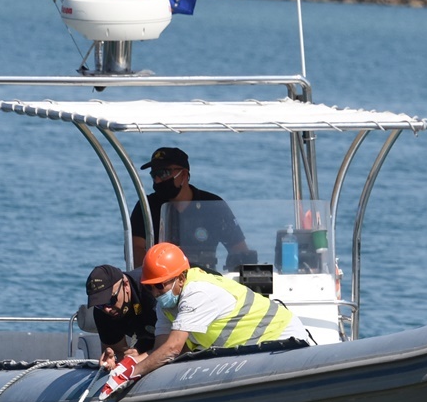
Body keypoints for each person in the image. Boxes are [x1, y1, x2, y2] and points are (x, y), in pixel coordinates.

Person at [129, 243, 309, 380]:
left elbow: (173, 349)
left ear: (181, 279)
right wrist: (127, 365)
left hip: (280, 338)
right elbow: (160, 350)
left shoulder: (197, 292)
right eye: (149, 287)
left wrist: (132, 374)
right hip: (249, 349)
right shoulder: (165, 305)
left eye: (160, 285)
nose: (155, 293)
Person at [129, 146, 249, 271]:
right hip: (162, 282)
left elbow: (239, 250)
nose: (158, 180)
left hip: (205, 281)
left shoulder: (213, 205)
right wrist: (158, 274)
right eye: (154, 175)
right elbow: (135, 249)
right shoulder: (146, 207)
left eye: (163, 173)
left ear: (184, 174)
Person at [84, 264, 156, 368]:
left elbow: (173, 345)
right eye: (99, 304)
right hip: (146, 341)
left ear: (126, 285)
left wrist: (141, 357)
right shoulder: (102, 312)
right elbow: (118, 352)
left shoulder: (153, 291)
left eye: (110, 300)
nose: (107, 309)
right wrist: (112, 361)